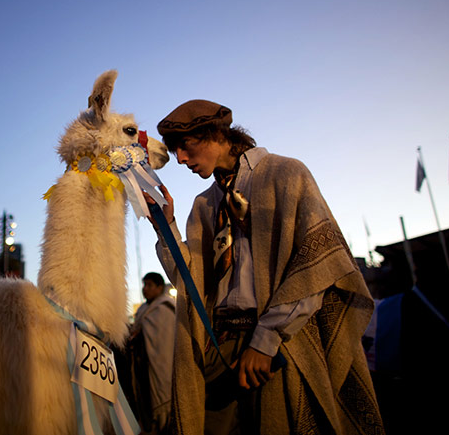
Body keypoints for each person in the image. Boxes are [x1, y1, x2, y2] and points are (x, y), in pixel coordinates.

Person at [147, 100, 384, 434]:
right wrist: (164, 224)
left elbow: (316, 266)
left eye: (186, 146)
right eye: (175, 151)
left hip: (277, 343)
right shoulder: (204, 204)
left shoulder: (285, 174)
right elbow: (190, 281)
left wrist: (265, 340)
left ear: (216, 134)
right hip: (221, 349)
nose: (181, 159)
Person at [127, 272, 175, 435]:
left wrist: (138, 335)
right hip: (144, 369)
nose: (145, 289)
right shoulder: (143, 309)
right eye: (144, 285)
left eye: (149, 285)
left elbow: (165, 344)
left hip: (163, 368)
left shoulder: (166, 307)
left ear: (160, 287)